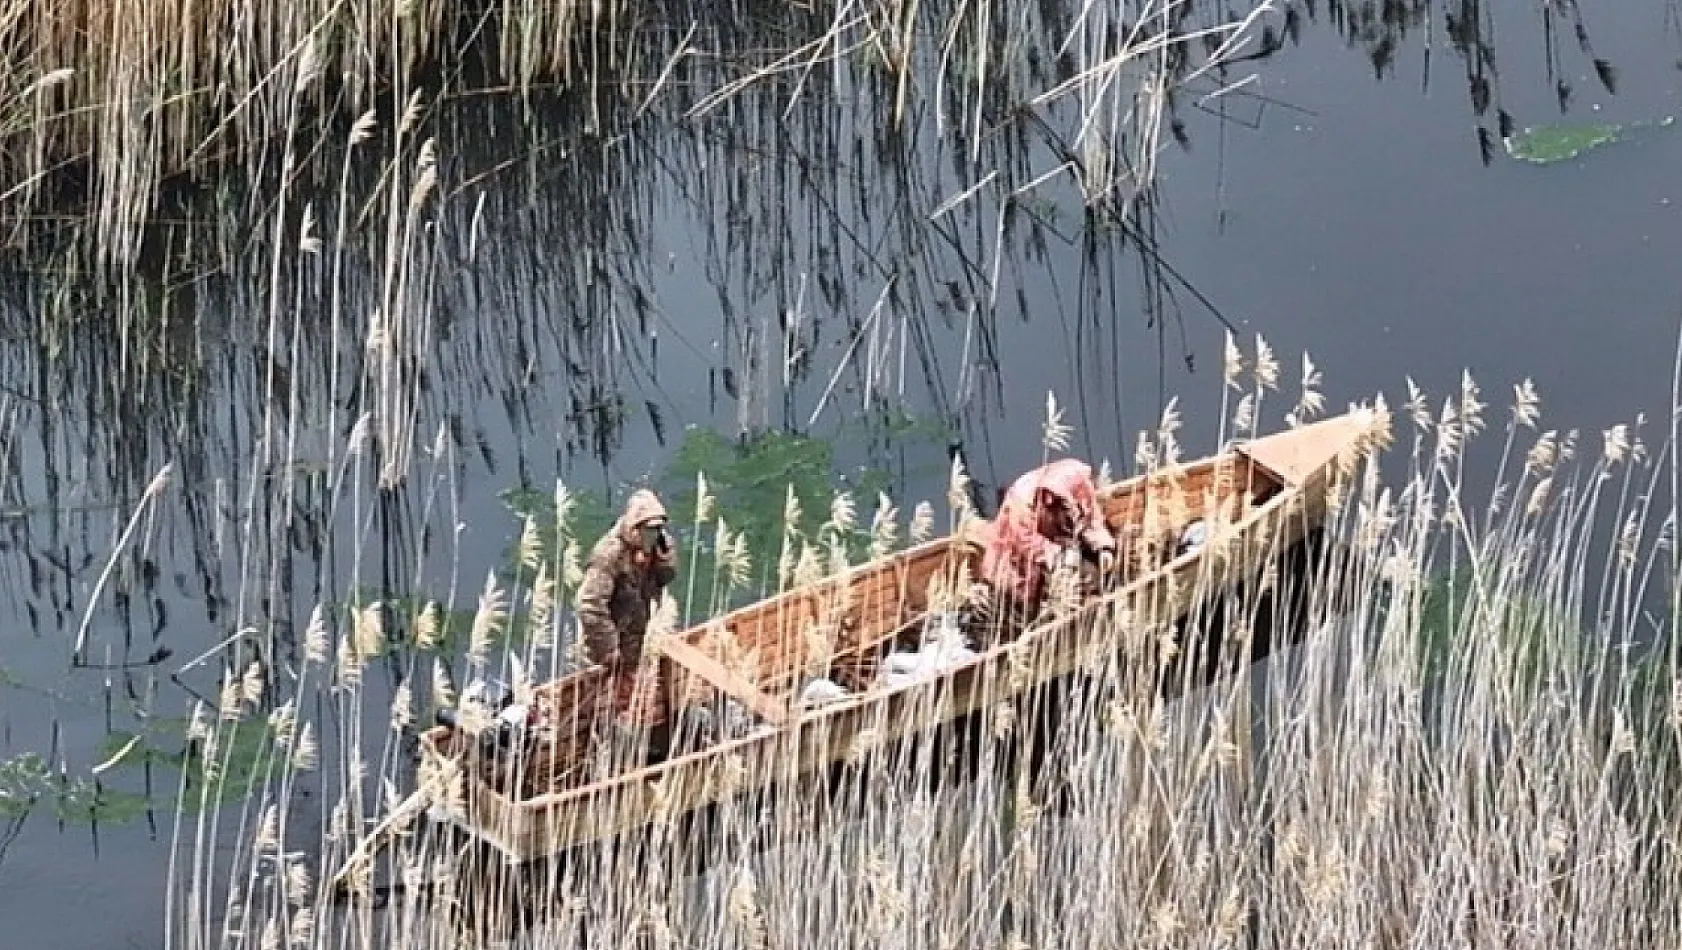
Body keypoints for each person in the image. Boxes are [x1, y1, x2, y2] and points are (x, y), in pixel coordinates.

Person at [969, 459, 1116, 642]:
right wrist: (1062, 559)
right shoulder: (1022, 503)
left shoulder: (1077, 479)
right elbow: (1030, 545)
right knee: (1019, 608)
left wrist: (1103, 547)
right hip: (1018, 565)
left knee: (1094, 572)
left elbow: (1091, 516)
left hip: (1057, 546)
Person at [574, 489, 677, 730]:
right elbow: (589, 604)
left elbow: (667, 577)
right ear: (634, 527)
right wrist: (609, 649)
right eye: (649, 529)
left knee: (629, 690)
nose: (655, 534)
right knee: (600, 693)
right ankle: (603, 732)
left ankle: (628, 723)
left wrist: (663, 557)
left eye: (658, 529)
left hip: (636, 632)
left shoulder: (659, 546)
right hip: (607, 639)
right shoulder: (609, 555)